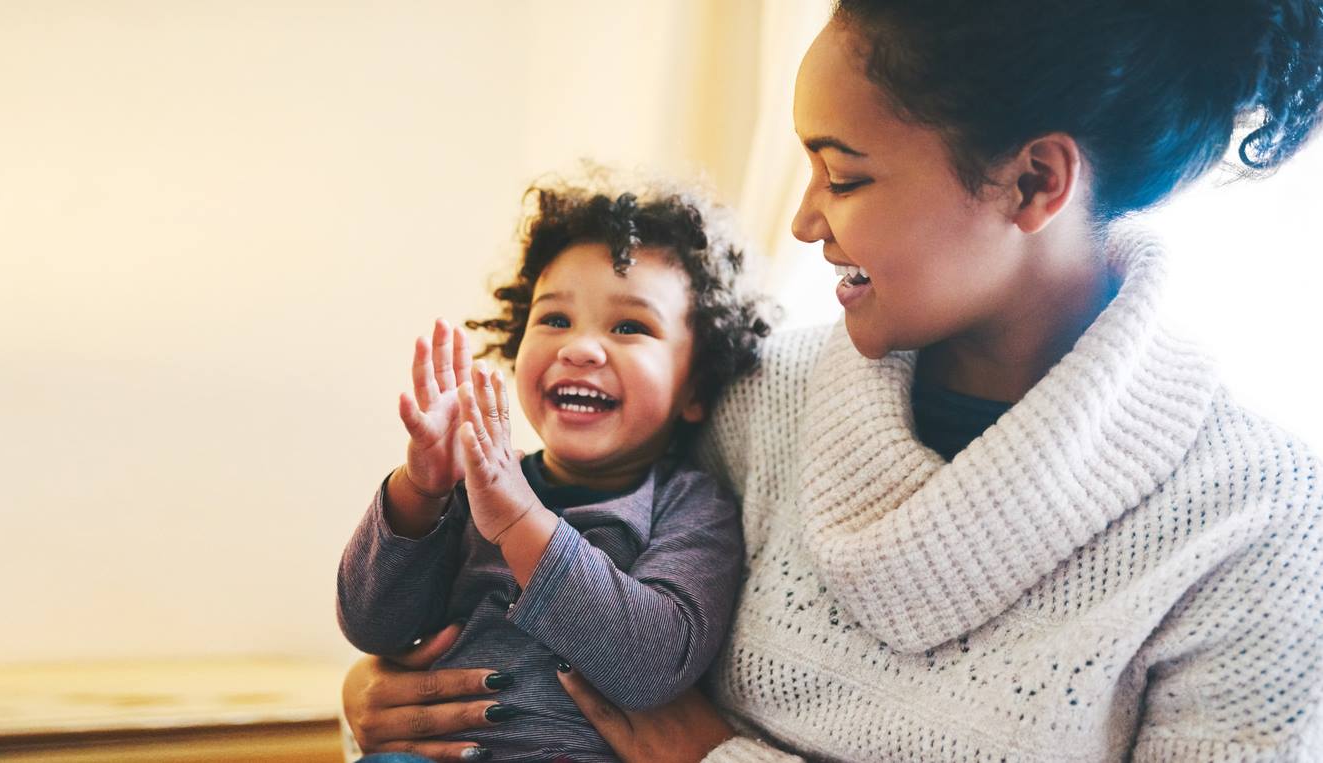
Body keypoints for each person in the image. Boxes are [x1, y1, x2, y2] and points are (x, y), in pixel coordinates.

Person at [341, 1, 1323, 760]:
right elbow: (545, 583)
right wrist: (387, 691)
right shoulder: (756, 399)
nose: (805, 221)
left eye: (844, 176)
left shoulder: (1257, 520)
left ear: (1033, 183)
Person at [337, 173, 772, 762]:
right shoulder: (472, 489)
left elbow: (652, 665)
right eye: (555, 320)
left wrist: (520, 522)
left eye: (630, 327)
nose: (579, 348)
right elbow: (373, 626)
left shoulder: (690, 507)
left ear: (695, 387)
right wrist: (419, 492)